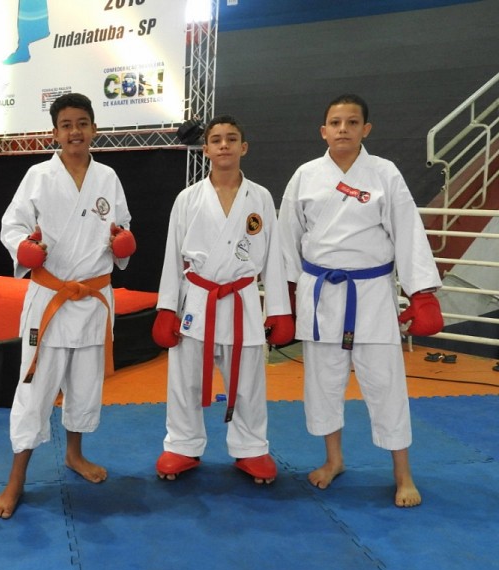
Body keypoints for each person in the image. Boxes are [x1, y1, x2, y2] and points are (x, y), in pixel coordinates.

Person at [278, 94, 443, 507]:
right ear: (323, 131)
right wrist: (285, 298)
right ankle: (333, 460)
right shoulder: (305, 175)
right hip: (320, 294)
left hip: (371, 294)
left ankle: (403, 474)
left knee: (386, 383)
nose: (343, 129)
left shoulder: (384, 173)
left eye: (352, 122)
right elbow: (286, 239)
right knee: (323, 382)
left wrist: (421, 294)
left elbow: (408, 232)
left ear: (365, 129)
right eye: (335, 123)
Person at [0, 92, 136, 519]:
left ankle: (74, 454)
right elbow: (12, 225)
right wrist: (24, 248)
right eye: (67, 125)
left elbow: (121, 226)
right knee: (34, 389)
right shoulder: (38, 175)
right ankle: (16, 478)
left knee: (85, 385)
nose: (75, 132)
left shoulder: (108, 176)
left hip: (93, 299)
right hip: (51, 298)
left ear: (94, 129)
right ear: (54, 132)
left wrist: (123, 242)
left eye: (82, 123)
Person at [151, 115, 294, 484]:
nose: (224, 145)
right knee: (185, 380)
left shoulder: (260, 197)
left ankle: (251, 448)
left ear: (243, 147)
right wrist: (167, 308)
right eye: (216, 140)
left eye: (232, 139)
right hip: (197, 299)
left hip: (242, 297)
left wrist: (279, 310)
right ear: (206, 149)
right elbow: (173, 257)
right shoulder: (188, 199)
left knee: (248, 382)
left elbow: (274, 256)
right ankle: (182, 445)